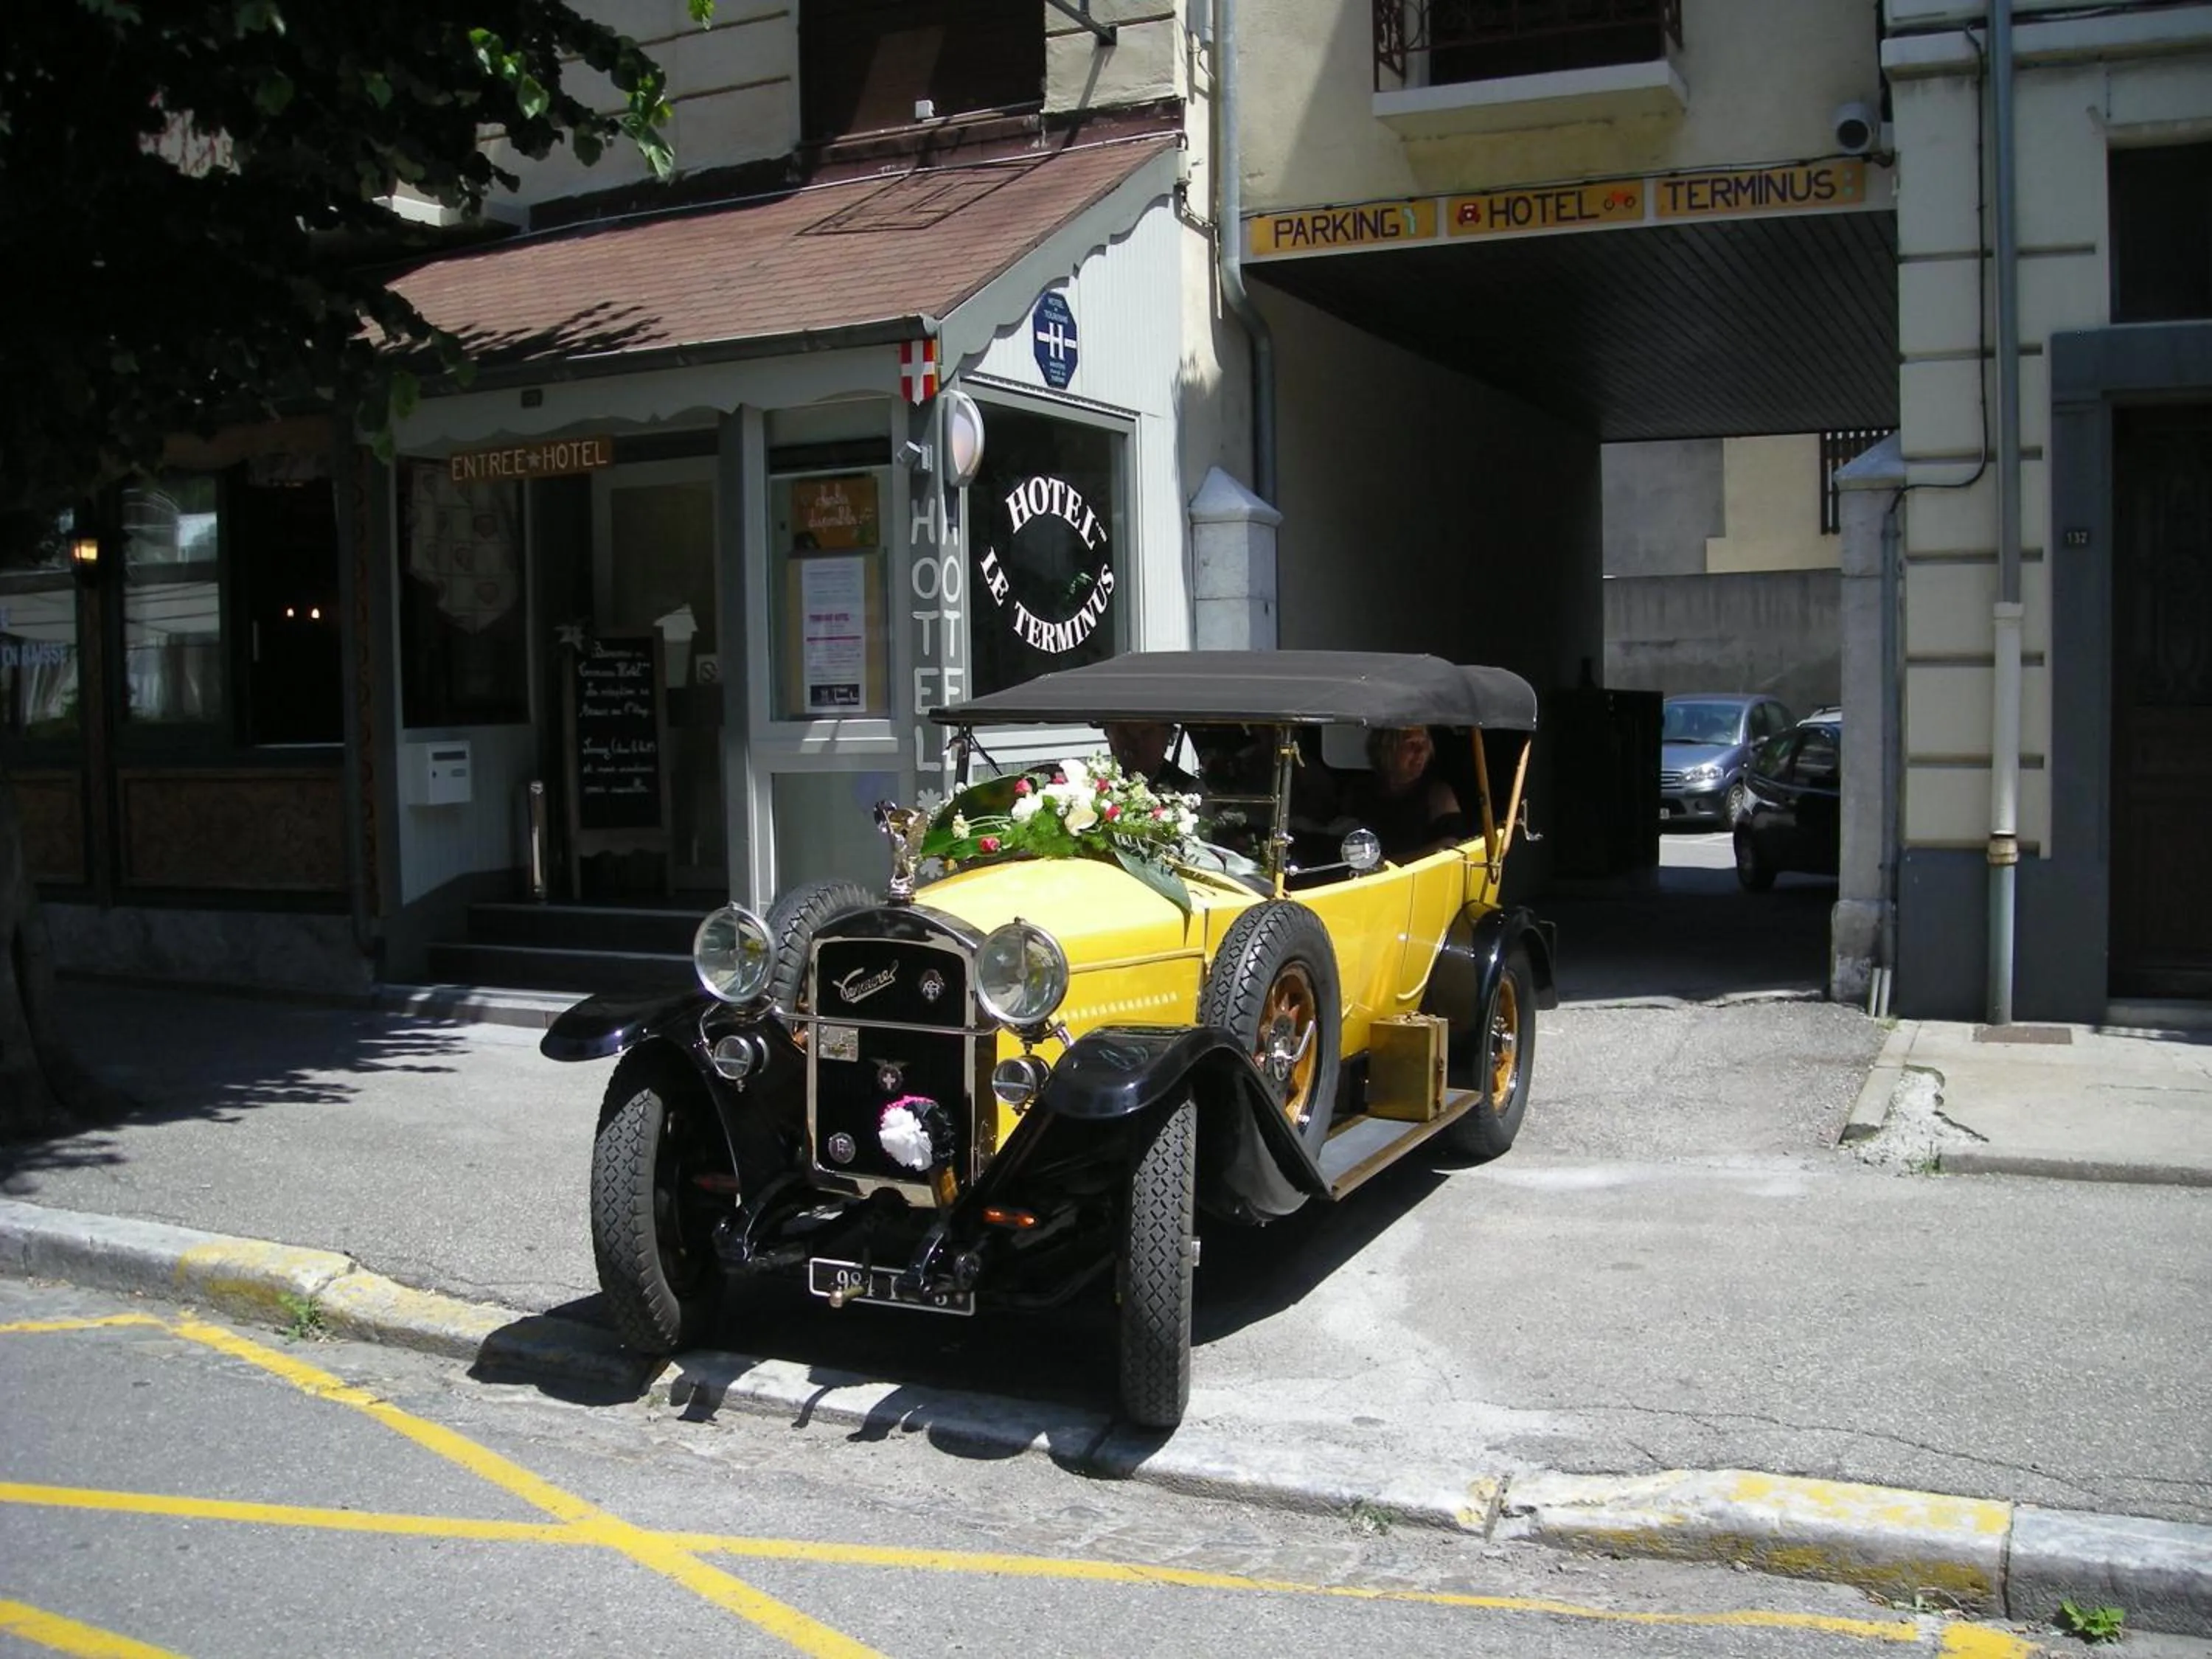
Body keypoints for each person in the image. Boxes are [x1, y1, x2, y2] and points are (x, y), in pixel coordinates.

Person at [1343, 725, 1465, 863]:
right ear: (1387, 750)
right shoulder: (1360, 791)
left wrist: (1391, 865)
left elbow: (1450, 846)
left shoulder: (1438, 794)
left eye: (1424, 744)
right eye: (1411, 745)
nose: (1421, 751)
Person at [1106, 720, 1200, 794]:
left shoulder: (1190, 792)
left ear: (1170, 736)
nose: (1133, 743)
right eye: (1123, 732)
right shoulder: (1099, 785)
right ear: (1107, 733)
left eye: (1145, 733)